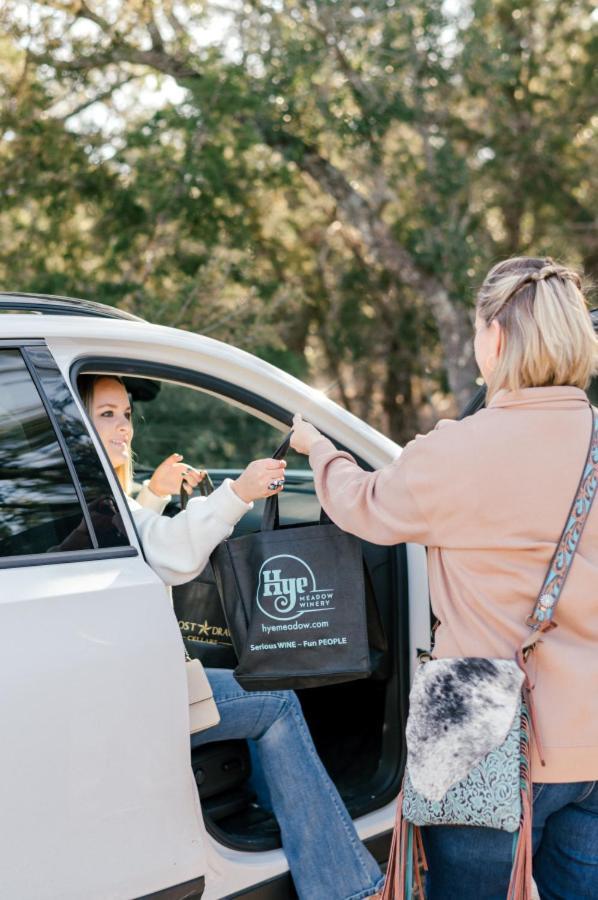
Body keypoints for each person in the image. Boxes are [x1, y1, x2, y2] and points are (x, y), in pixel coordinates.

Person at [290, 257, 598, 900]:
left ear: (496, 338)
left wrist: (320, 450)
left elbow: (362, 505)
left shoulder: (456, 449)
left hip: (478, 730)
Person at [79, 373, 384, 900]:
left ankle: (281, 822)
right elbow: (172, 555)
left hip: (117, 682)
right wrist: (238, 492)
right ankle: (346, 887)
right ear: (75, 421)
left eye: (126, 413)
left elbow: (132, 542)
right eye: (106, 414)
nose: (124, 426)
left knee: (261, 697)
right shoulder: (90, 495)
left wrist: (151, 495)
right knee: (275, 701)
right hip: (131, 695)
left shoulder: (85, 493)